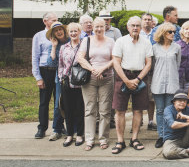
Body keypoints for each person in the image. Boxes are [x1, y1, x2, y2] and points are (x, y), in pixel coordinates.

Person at [111, 16, 153, 154]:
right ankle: (120, 140)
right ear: (128, 27)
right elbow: (116, 62)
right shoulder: (120, 41)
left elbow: (148, 64)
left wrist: (138, 79)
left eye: (137, 25)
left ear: (141, 28)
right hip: (122, 76)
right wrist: (126, 81)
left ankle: (134, 138)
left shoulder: (146, 42)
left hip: (140, 77)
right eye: (132, 25)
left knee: (138, 110)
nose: (135, 28)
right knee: (120, 110)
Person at [77, 17, 114, 151]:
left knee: (105, 110)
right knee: (90, 109)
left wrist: (102, 69)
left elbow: (115, 59)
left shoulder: (111, 41)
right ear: (92, 27)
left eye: (101, 26)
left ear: (105, 27)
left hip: (107, 78)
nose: (99, 29)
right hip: (90, 79)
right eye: (96, 26)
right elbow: (80, 58)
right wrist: (93, 69)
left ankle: (103, 139)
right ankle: (90, 140)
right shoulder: (86, 40)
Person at [151, 22, 182, 149]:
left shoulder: (177, 48)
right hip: (157, 82)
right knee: (159, 110)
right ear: (163, 33)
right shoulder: (154, 48)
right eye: (170, 32)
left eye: (174, 32)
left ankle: (168, 136)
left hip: (172, 82)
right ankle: (161, 135)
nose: (173, 34)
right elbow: (152, 66)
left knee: (169, 110)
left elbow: (177, 64)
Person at [32, 12, 61, 139]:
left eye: (57, 19)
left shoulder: (60, 34)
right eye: (53, 20)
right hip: (45, 70)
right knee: (44, 101)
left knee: (59, 101)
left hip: (58, 70)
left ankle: (59, 126)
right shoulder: (38, 36)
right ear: (45, 21)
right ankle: (42, 128)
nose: (56, 21)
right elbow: (35, 57)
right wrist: (38, 77)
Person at [56, 22, 85, 147]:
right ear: (68, 33)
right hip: (67, 81)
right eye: (71, 31)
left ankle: (79, 134)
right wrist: (61, 77)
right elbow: (61, 65)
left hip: (80, 82)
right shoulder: (64, 47)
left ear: (79, 32)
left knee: (79, 109)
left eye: (75, 31)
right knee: (68, 109)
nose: (73, 33)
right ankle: (69, 135)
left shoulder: (84, 46)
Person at [45, 21, 68, 140]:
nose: (59, 32)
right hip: (59, 79)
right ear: (53, 33)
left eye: (60, 29)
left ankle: (71, 129)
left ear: (64, 30)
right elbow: (51, 64)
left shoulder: (71, 41)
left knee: (71, 104)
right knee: (58, 105)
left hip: (73, 78)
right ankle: (57, 129)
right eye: (56, 30)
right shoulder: (53, 45)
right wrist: (54, 47)